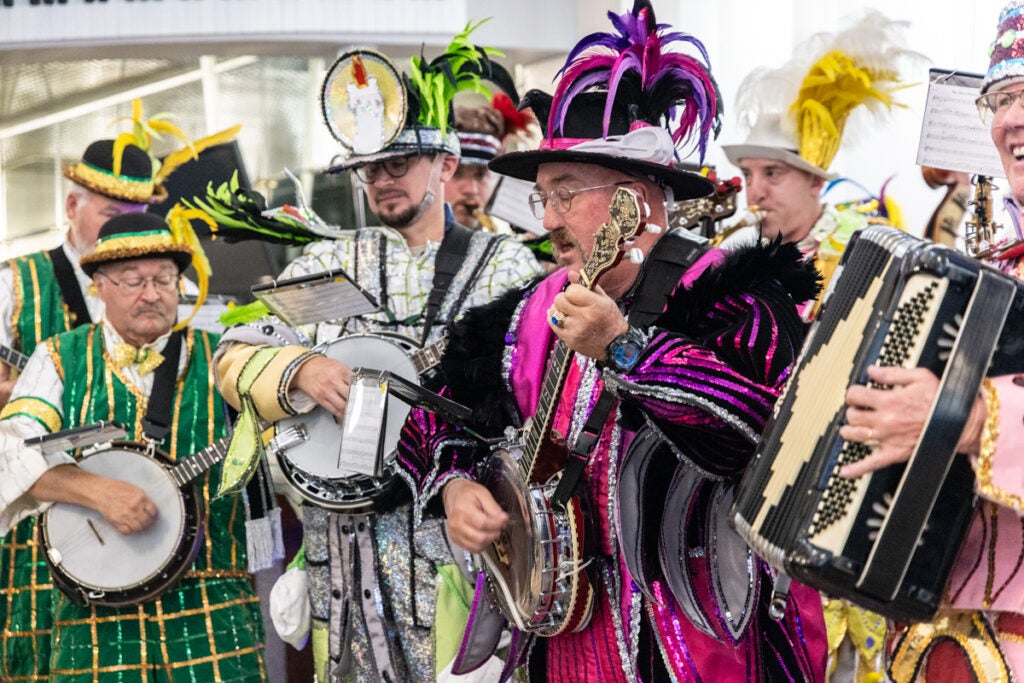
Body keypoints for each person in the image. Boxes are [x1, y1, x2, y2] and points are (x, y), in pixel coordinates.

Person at [395, 2, 827, 681]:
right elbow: (434, 414)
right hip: (563, 641)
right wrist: (454, 487)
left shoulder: (737, 297)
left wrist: (627, 350)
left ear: (635, 198)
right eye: (542, 197)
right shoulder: (527, 313)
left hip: (693, 646)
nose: (548, 220)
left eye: (566, 193)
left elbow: (761, 440)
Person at [213, 35, 542, 682]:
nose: (382, 179)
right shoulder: (327, 259)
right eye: (370, 167)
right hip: (346, 549)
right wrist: (299, 370)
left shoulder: (506, 264)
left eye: (401, 162)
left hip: (463, 543)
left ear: (447, 164)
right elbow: (233, 356)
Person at [0, 211, 267, 681]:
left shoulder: (225, 354)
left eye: (164, 278)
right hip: (94, 622)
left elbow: (281, 464)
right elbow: (12, 449)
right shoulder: (57, 358)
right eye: (133, 280)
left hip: (214, 607)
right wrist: (98, 492)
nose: (152, 293)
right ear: (99, 286)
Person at [839, 3, 1024, 680]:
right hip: (936, 647)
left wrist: (968, 420)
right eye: (1001, 97)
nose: (1010, 119)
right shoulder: (990, 268)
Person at [0, 138, 157, 683]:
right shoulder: (15, 281)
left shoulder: (164, 294)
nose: (126, 229)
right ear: (72, 207)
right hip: (40, 507)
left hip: (141, 512)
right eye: (113, 215)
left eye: (137, 217)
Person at [720, 12, 915, 327]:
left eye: (772, 173)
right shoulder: (736, 261)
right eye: (748, 175)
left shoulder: (865, 254)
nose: (755, 192)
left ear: (814, 180)